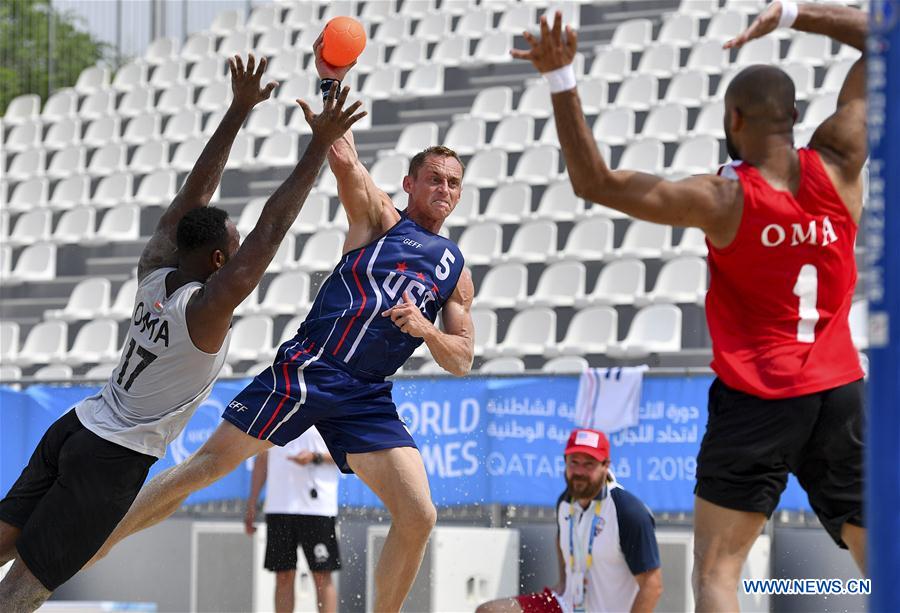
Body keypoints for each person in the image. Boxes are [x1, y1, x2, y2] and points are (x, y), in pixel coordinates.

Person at [90, 35, 476, 612]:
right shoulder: (381, 218)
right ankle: (85, 543)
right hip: (310, 368)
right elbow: (342, 156)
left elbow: (462, 358)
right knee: (204, 469)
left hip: (366, 394)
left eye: (453, 182)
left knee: (419, 516)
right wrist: (330, 82)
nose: (443, 189)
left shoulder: (456, 270)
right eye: (434, 178)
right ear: (410, 183)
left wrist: (426, 330)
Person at [513, 2, 868, 610]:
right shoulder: (841, 162)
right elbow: (887, 38)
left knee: (718, 572)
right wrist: (788, 15)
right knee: (880, 553)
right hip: (839, 389)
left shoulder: (722, 200)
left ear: (732, 120)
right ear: (799, 117)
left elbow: (594, 182)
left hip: (758, 398)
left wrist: (560, 78)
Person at [0, 54, 365, 612]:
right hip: (113, 458)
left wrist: (238, 109)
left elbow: (195, 196)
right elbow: (272, 228)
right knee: (27, 585)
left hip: (76, 425)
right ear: (219, 259)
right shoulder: (208, 308)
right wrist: (320, 143)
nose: (243, 253)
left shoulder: (154, 267)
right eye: (234, 249)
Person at [477, 429, 662, 613]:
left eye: (589, 464)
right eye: (574, 462)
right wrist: (564, 581)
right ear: (565, 462)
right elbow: (561, 539)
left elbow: (652, 586)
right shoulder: (565, 501)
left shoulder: (628, 511)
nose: (579, 471)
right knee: (489, 611)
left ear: (605, 465)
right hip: (568, 605)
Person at [244, 427, 341, 613]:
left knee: (321, 575)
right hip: (279, 506)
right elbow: (262, 458)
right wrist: (252, 502)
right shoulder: (277, 407)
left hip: (318, 507)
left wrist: (315, 457)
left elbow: (346, 455)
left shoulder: (329, 405)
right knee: (283, 575)